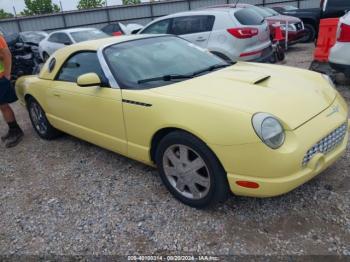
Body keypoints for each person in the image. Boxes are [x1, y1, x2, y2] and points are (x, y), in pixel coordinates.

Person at [0, 32, 23, 148]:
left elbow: (7, 54)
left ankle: (16, 131)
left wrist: (7, 75)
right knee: (2, 106)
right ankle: (13, 129)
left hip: (1, 77)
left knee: (3, 105)